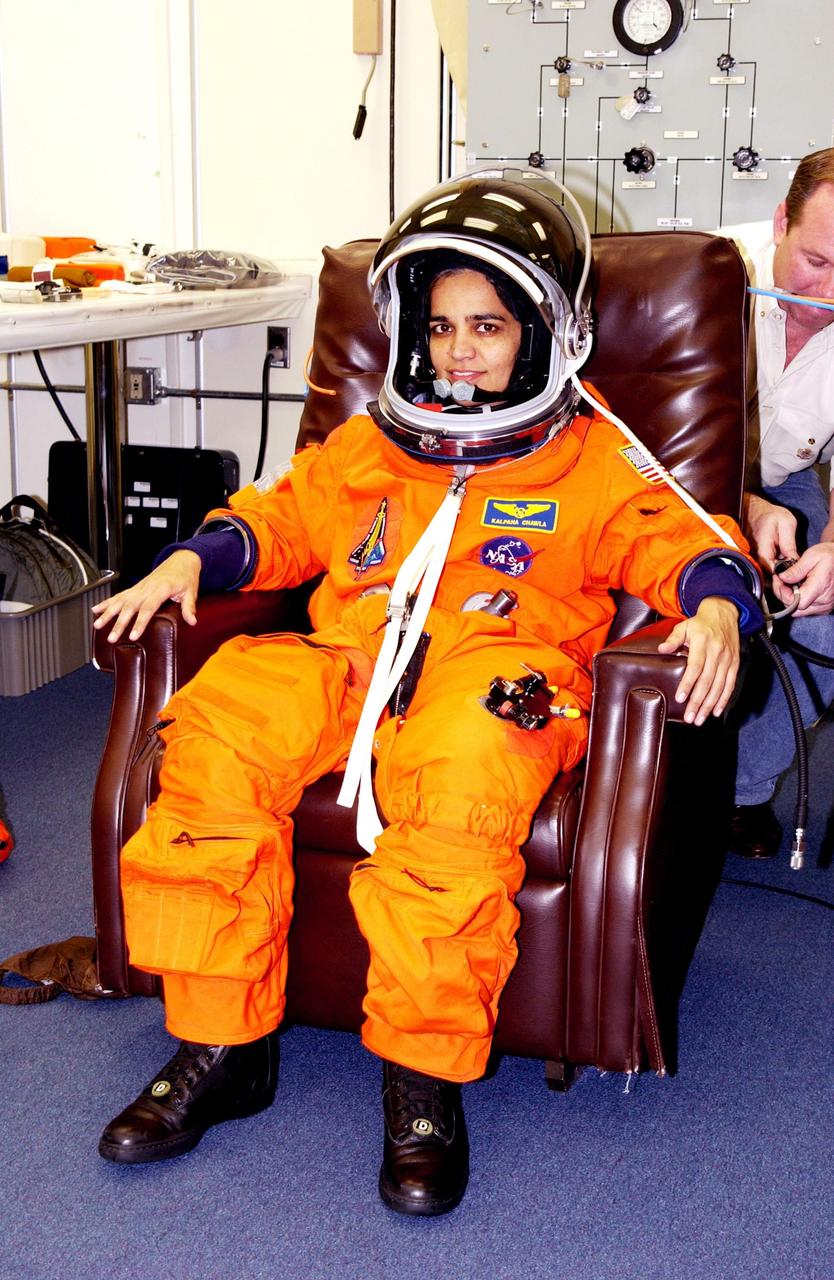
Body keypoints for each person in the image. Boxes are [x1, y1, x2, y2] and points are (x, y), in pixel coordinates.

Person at [90, 169, 762, 1216]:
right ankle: (222, 1043)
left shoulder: (590, 460)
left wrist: (717, 607)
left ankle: (422, 1080)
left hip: (498, 670)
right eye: (441, 326)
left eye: (487, 326)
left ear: (545, 331)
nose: (458, 351)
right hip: (354, 656)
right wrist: (196, 559)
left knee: (457, 790)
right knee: (217, 735)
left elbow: (686, 541)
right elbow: (282, 517)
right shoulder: (370, 443)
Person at [721, 148, 834, 860]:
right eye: (817, 262)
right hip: (679, 470)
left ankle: (741, 792)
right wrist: (745, 506)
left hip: (790, 478)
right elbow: (634, 440)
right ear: (780, 222)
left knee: (825, 612)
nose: (832, 291)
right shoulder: (708, 273)